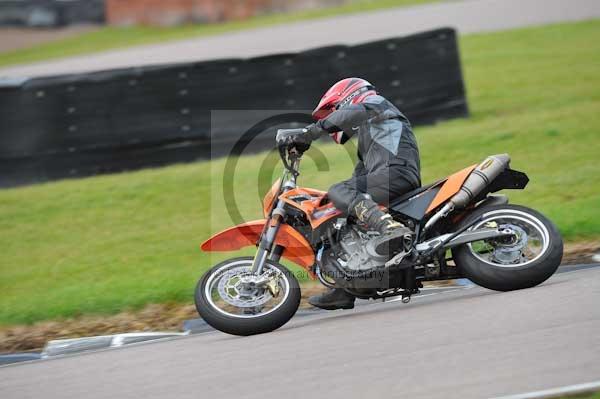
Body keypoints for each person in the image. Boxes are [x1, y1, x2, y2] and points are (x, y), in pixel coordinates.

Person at [276, 77, 421, 310]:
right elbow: (357, 181)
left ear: (349, 97)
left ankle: (390, 229)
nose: (331, 116)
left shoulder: (375, 103)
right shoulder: (370, 135)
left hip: (397, 174)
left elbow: (353, 113)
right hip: (390, 177)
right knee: (343, 213)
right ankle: (344, 288)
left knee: (339, 190)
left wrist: (309, 132)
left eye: (333, 110)